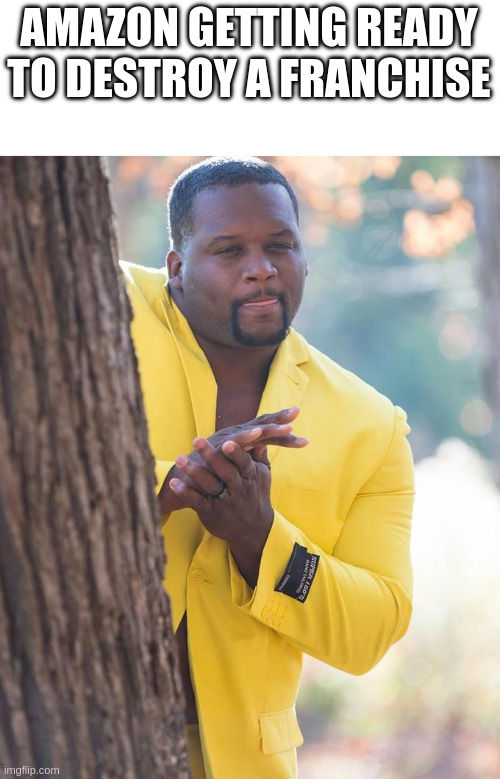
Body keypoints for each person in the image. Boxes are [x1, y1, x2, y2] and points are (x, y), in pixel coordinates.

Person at [121, 157, 414, 779]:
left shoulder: (371, 424)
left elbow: (373, 626)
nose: (261, 268)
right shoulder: (99, 304)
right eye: (229, 250)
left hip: (239, 763)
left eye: (280, 245)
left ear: (304, 257)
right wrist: (167, 486)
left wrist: (262, 540)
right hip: (55, 735)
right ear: (177, 267)